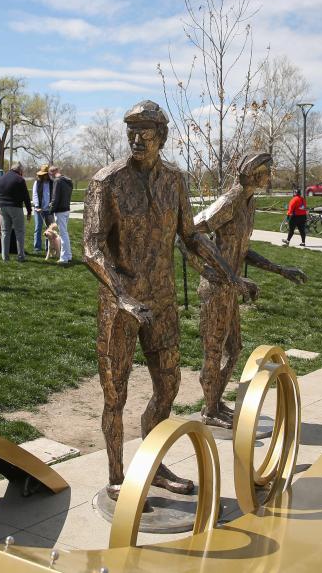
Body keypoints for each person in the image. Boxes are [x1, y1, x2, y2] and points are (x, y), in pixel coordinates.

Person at [83, 100, 254, 500]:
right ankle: (116, 476)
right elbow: (91, 249)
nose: (136, 139)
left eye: (145, 132)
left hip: (161, 303)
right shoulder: (107, 182)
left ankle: (153, 465)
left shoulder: (174, 180)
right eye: (131, 131)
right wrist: (122, 297)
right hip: (119, 306)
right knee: (116, 395)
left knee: (168, 387)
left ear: (161, 136)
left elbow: (190, 237)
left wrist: (228, 276)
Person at [189, 153, 307, 429]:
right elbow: (191, 232)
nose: (271, 176)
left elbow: (241, 249)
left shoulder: (248, 202)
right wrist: (208, 271)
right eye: (267, 172)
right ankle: (208, 410)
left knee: (235, 348)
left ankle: (215, 402)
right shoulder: (230, 201)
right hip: (217, 288)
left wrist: (280, 269)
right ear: (253, 175)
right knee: (214, 351)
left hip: (231, 286)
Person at [0, 162, 32, 262]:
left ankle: (5, 257)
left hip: (2, 207)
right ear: (19, 170)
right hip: (16, 207)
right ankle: (20, 256)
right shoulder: (20, 179)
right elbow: (26, 197)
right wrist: (29, 211)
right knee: (19, 232)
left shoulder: (1, 179)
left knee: (5, 232)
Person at [49, 165, 73, 265]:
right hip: (66, 208)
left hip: (60, 210)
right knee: (65, 233)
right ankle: (68, 255)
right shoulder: (68, 181)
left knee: (63, 235)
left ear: (51, 173)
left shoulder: (57, 181)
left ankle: (64, 258)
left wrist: (51, 209)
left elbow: (55, 198)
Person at [32, 164, 54, 253]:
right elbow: (35, 195)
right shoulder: (37, 183)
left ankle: (48, 248)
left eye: (45, 174)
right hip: (39, 210)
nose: (44, 176)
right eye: (42, 174)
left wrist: (52, 204)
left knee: (49, 229)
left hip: (49, 210)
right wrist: (37, 206)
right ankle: (37, 248)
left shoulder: (52, 183)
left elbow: (54, 195)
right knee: (38, 228)